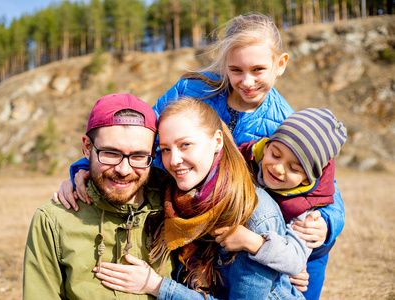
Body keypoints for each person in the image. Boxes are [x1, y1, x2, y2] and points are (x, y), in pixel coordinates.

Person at [58, 14, 344, 299]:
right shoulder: (193, 91)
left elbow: (322, 187)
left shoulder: (284, 122)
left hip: (258, 228)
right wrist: (88, 166)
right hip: (201, 218)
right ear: (225, 65)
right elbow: (140, 134)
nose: (247, 82)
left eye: (258, 69)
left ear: (279, 64)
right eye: (236, 70)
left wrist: (326, 224)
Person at [94, 98, 305, 299]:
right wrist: (83, 174)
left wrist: (156, 286)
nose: (174, 160)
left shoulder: (253, 214)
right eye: (165, 149)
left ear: (217, 142)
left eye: (185, 145)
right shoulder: (173, 193)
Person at [23, 93, 175, 299]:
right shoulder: (52, 221)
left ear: (153, 155)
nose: (123, 169)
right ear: (87, 148)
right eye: (111, 153)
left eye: (139, 156)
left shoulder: (179, 210)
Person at [212, 108, 347, 273]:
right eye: (275, 155)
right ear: (267, 147)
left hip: (307, 270)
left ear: (307, 179)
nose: (278, 168)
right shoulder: (246, 159)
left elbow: (295, 261)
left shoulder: (305, 210)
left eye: (293, 168)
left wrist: (251, 242)